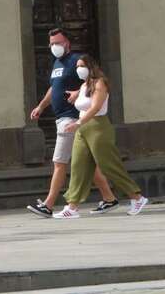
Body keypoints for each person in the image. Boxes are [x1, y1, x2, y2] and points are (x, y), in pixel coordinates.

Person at [26, 28, 120, 218]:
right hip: (60, 117)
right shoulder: (57, 63)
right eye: (52, 43)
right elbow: (54, 88)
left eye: (58, 42)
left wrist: (79, 92)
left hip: (72, 118)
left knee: (59, 162)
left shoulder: (77, 61)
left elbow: (93, 79)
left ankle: (48, 204)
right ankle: (109, 198)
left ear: (67, 42)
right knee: (85, 164)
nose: (55, 46)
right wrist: (41, 106)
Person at [54, 54, 149, 218]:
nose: (79, 70)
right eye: (77, 67)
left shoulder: (100, 83)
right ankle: (72, 207)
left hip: (98, 128)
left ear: (91, 66)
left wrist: (78, 122)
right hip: (82, 129)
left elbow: (96, 107)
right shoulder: (85, 85)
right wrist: (76, 95)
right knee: (78, 166)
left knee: (108, 165)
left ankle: (137, 197)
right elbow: (84, 100)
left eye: (82, 66)